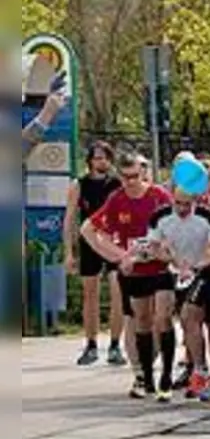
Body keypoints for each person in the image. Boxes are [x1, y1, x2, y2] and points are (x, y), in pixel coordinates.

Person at [81, 152, 174, 400]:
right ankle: (142, 374)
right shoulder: (116, 200)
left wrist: (164, 251)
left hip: (161, 268)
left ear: (142, 173)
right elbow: (89, 229)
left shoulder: (159, 196)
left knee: (162, 317)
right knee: (139, 320)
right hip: (134, 272)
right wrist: (119, 256)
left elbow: (175, 227)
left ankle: (166, 373)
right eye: (125, 178)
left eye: (135, 176)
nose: (131, 182)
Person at [148, 189, 210, 398]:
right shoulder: (160, 217)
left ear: (195, 201)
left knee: (198, 322)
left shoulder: (207, 218)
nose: (182, 209)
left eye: (186, 205)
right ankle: (182, 369)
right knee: (173, 316)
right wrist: (171, 260)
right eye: (178, 203)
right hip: (176, 271)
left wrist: (194, 266)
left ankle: (208, 370)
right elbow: (154, 248)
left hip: (204, 271)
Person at [67, 141, 125, 367]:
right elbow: (70, 219)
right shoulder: (79, 185)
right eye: (97, 157)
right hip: (89, 240)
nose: (102, 161)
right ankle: (91, 344)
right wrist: (69, 252)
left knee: (117, 292)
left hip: (112, 241)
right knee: (89, 294)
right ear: (90, 160)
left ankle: (115, 344)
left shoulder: (117, 185)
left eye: (105, 157)